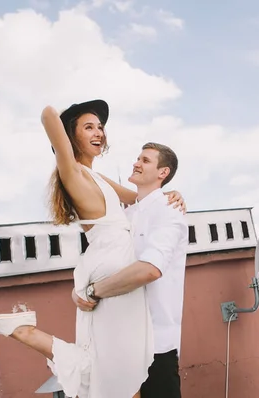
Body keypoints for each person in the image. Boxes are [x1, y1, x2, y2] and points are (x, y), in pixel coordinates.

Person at [0, 99, 186, 398]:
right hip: (112, 259)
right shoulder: (70, 169)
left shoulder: (97, 176)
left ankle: (26, 331)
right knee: (114, 367)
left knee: (111, 364)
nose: (98, 131)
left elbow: (140, 197)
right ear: (71, 136)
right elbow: (48, 114)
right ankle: (25, 332)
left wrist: (171, 191)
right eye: (88, 127)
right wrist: (70, 116)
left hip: (108, 259)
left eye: (100, 126)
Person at [73, 142, 188, 398]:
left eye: (145, 160)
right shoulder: (127, 214)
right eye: (137, 158)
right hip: (120, 340)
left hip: (155, 347)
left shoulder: (169, 210)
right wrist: (79, 290)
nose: (136, 163)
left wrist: (93, 292)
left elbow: (150, 270)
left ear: (163, 173)